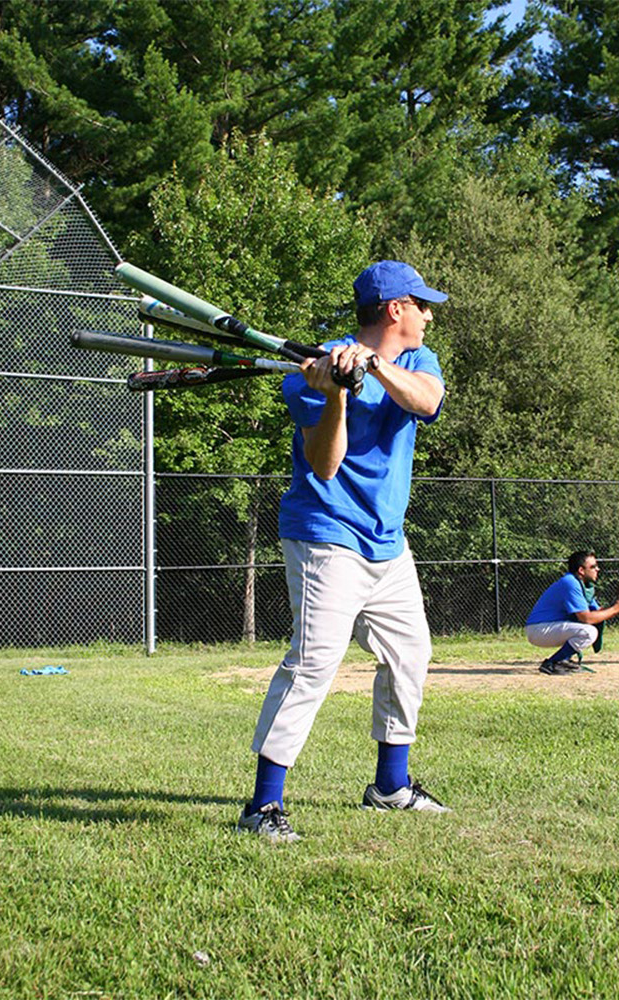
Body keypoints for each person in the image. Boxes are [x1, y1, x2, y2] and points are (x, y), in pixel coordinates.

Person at [237, 261, 452, 844]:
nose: (429, 315)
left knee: (411, 653)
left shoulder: (414, 361)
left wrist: (375, 366)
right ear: (395, 309)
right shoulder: (311, 374)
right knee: (312, 665)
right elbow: (326, 465)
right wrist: (332, 394)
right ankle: (263, 806)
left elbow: (427, 402)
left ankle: (390, 787)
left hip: (387, 541)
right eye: (422, 305)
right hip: (326, 534)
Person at [525, 550, 619, 675]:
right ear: (581, 570)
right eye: (593, 567)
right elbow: (586, 618)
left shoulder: (583, 585)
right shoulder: (570, 582)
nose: (597, 569)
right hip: (539, 629)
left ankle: (563, 661)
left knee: (589, 629)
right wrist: (616, 608)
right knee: (588, 632)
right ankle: (553, 663)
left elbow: (598, 614)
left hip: (548, 627)